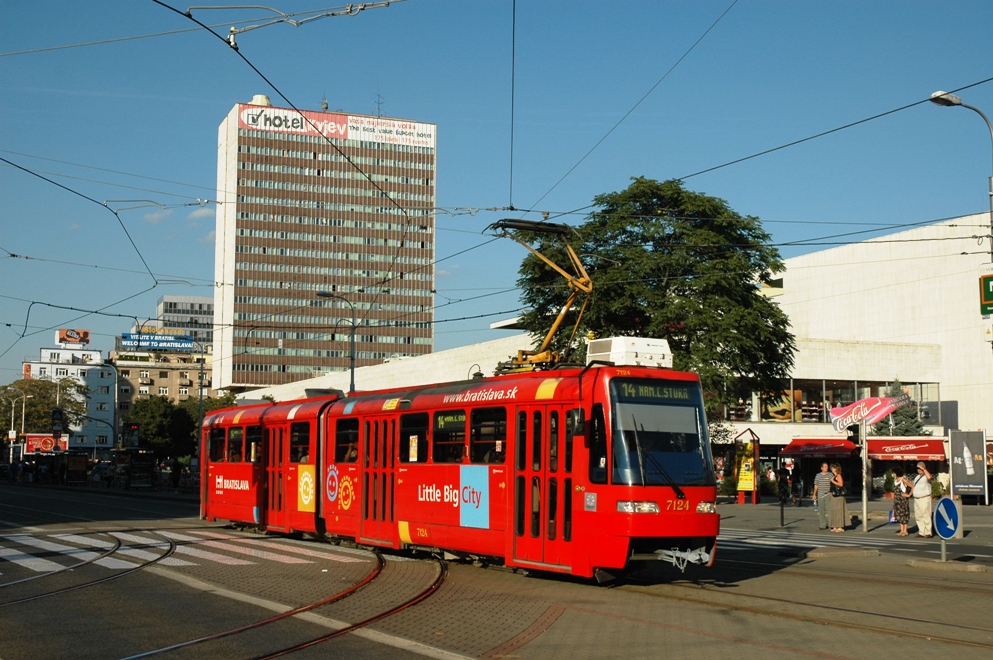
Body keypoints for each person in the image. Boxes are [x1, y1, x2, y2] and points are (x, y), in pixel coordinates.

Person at [912, 461, 933, 537]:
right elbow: (914, 486)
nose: (919, 470)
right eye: (917, 468)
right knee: (918, 515)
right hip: (917, 499)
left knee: (926, 514)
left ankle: (928, 532)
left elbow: (929, 477)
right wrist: (909, 494)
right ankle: (921, 531)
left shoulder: (926, 476)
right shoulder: (917, 477)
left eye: (920, 468)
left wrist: (924, 469)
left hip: (924, 498)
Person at [891, 466, 912, 536]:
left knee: (904, 515)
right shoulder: (895, 481)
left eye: (894, 473)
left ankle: (905, 531)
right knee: (899, 515)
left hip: (903, 501)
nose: (893, 474)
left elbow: (912, 486)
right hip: (897, 501)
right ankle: (901, 530)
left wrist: (909, 495)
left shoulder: (903, 480)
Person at [812, 462, 833, 530]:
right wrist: (814, 494)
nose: (826, 468)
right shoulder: (818, 476)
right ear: (821, 468)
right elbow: (816, 485)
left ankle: (831, 524)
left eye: (827, 466)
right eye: (825, 467)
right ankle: (822, 525)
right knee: (821, 511)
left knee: (829, 510)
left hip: (828, 494)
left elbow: (833, 482)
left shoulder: (830, 475)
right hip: (820, 495)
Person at [828, 463, 847, 532]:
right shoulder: (834, 476)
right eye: (831, 468)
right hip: (834, 495)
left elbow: (841, 484)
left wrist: (833, 481)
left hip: (839, 495)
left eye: (833, 468)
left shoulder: (838, 475)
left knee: (839, 511)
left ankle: (840, 526)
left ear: (837, 468)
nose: (832, 469)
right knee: (834, 511)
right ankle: (835, 525)